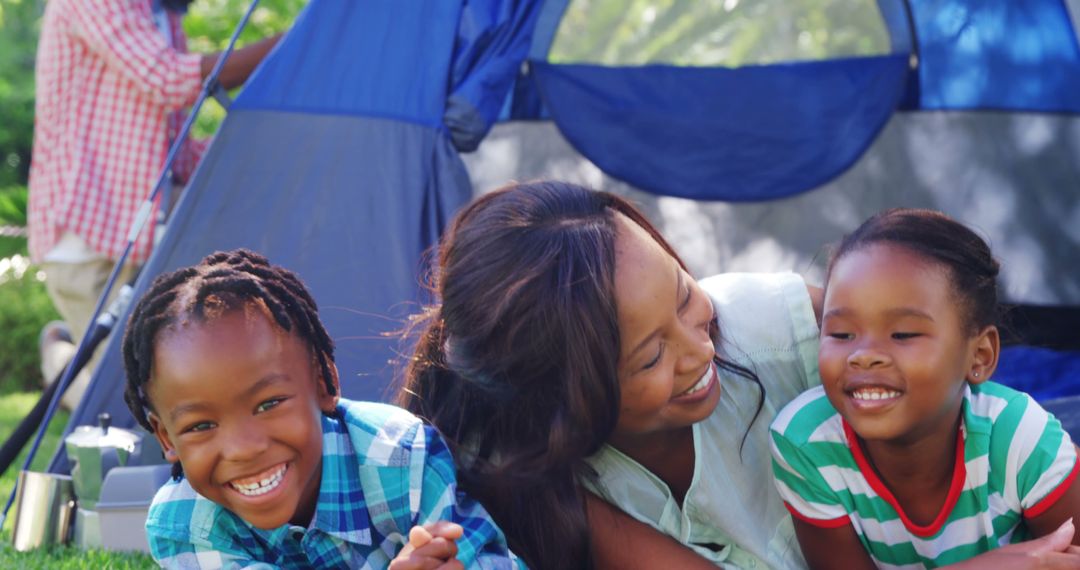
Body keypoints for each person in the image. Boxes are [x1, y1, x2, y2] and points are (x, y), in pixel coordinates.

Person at [398, 180, 1080, 570]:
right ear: (564, 405)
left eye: (683, 292)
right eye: (649, 358)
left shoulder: (768, 324)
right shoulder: (552, 481)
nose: (697, 351)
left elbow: (935, 344)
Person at [121, 249, 519, 568]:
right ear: (165, 438)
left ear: (324, 382)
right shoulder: (184, 525)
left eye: (269, 403)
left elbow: (490, 559)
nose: (243, 447)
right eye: (201, 425)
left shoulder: (399, 459)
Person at [769, 209, 1080, 568]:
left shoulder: (1021, 440)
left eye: (903, 334)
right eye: (841, 334)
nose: (864, 356)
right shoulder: (806, 444)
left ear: (979, 356)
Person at [29, 0, 280, 409]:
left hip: (140, 231)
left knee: (152, 380)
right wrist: (291, 45)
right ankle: (59, 359)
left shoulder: (162, 12)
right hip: (84, 236)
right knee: (119, 400)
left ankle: (73, 363)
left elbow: (176, 140)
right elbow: (168, 79)